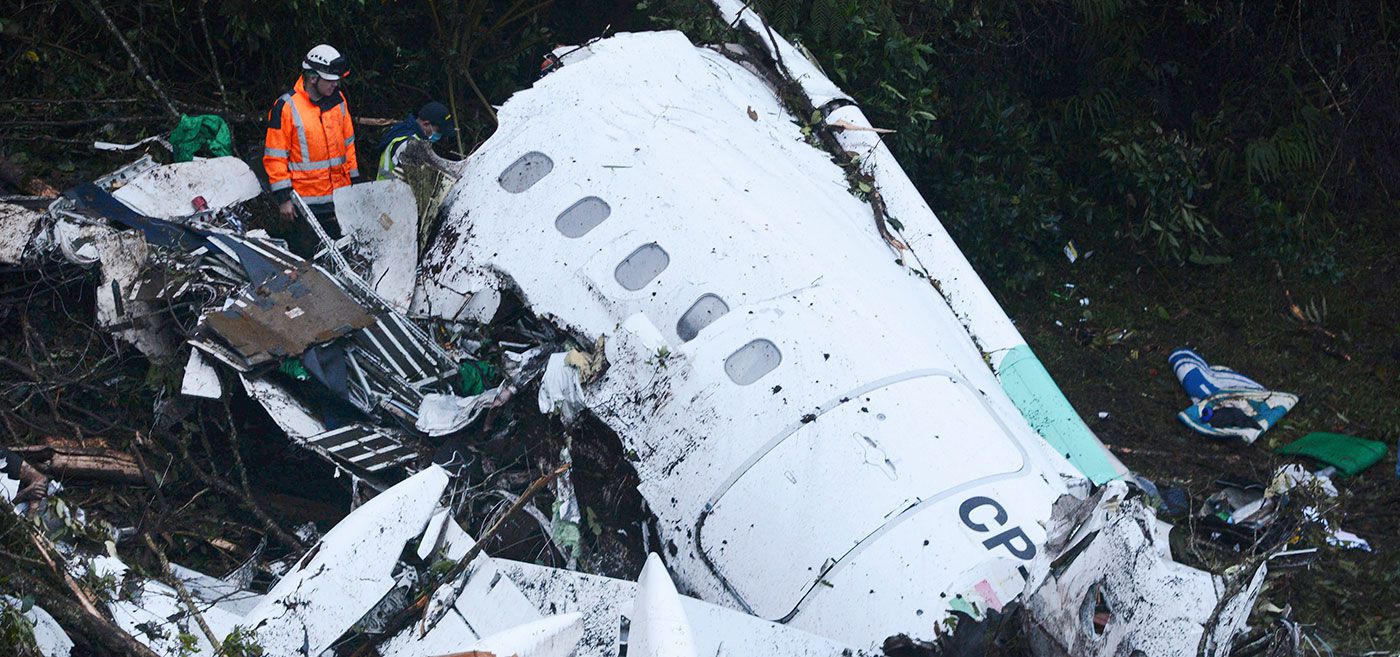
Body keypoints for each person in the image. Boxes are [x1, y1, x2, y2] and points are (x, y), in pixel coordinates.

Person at [263, 44, 360, 237]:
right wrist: (283, 198)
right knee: (308, 260)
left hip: (340, 199)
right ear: (313, 78)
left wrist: (355, 184)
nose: (335, 85)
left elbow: (348, 144)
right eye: (330, 81)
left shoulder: (338, 101)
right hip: (305, 205)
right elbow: (275, 157)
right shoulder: (286, 106)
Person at [376, 101, 456, 180]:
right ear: (426, 124)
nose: (440, 135)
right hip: (390, 190)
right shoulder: (407, 145)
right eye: (439, 131)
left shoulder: (406, 130)